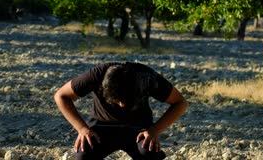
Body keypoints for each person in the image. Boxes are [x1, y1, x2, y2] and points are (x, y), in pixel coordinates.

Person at [54, 61, 188, 160]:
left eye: (127, 99)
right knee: (82, 155)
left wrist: (154, 130)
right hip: (101, 128)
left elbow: (180, 102)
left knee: (150, 155)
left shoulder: (146, 77)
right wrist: (82, 128)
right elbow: (61, 96)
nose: (122, 105)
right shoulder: (96, 74)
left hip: (138, 129)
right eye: (117, 101)